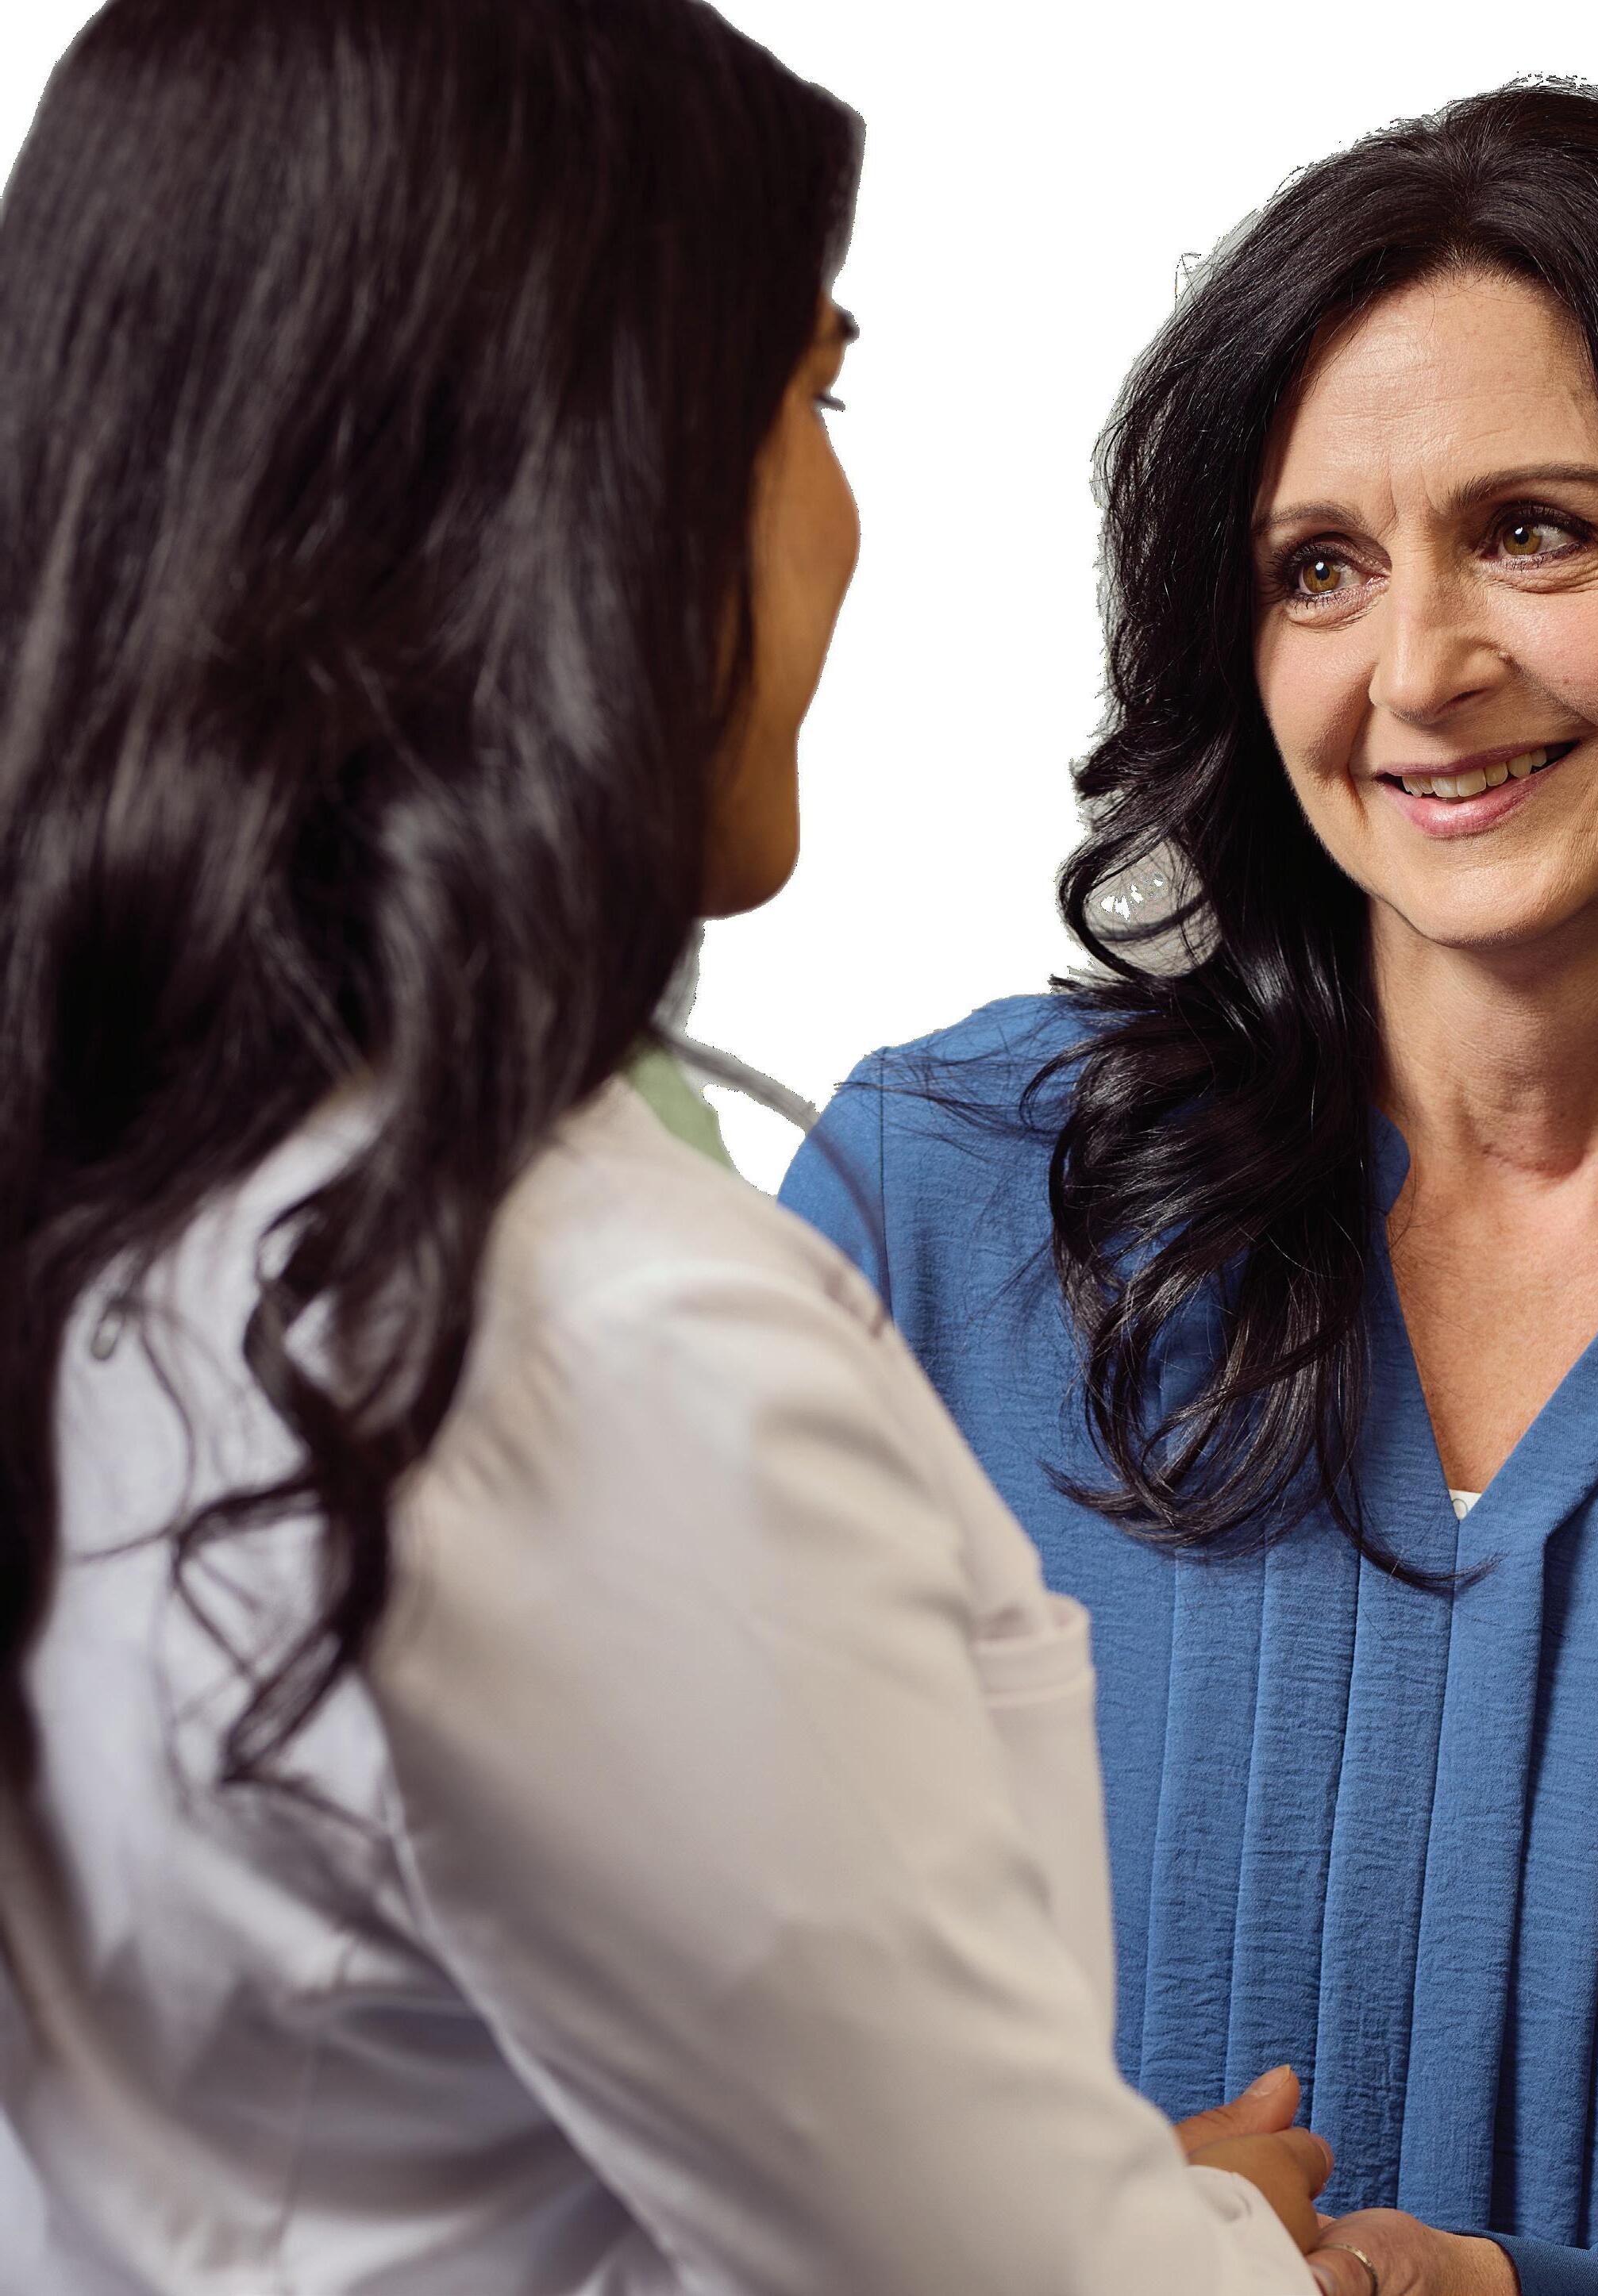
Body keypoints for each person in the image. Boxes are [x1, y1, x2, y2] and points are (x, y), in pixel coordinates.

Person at [0, 2, 1439, 2289]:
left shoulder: (129, 1210)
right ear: (584, 481)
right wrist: (1196, 2241)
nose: (839, 518)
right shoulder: (607, 1339)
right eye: (810, 400)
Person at [781, 81, 1598, 2296]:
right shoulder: (945, 1198)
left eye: (1536, 534)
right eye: (1319, 569)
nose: (1417, 671)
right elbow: (625, 1989)